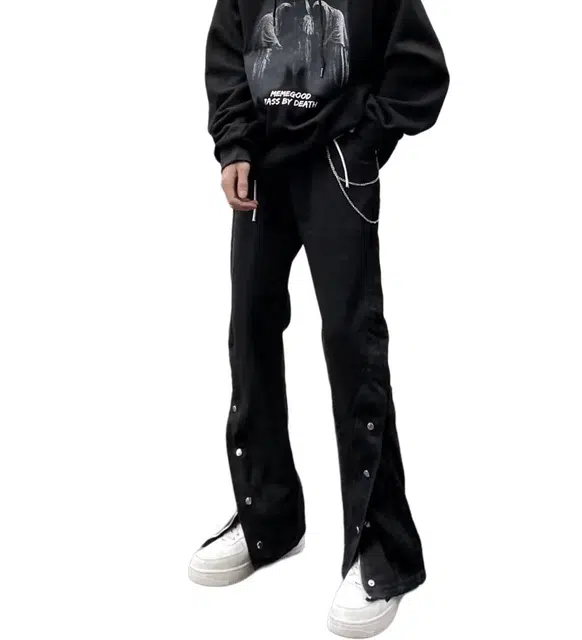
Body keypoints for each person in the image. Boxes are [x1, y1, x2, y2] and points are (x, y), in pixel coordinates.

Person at [188, 0, 448, 636]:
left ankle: (383, 549)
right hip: (262, 164)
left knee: (351, 341)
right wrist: (234, 143)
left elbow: (420, 69)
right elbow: (228, 53)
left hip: (336, 161)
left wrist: (366, 141)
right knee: (249, 330)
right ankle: (268, 517)